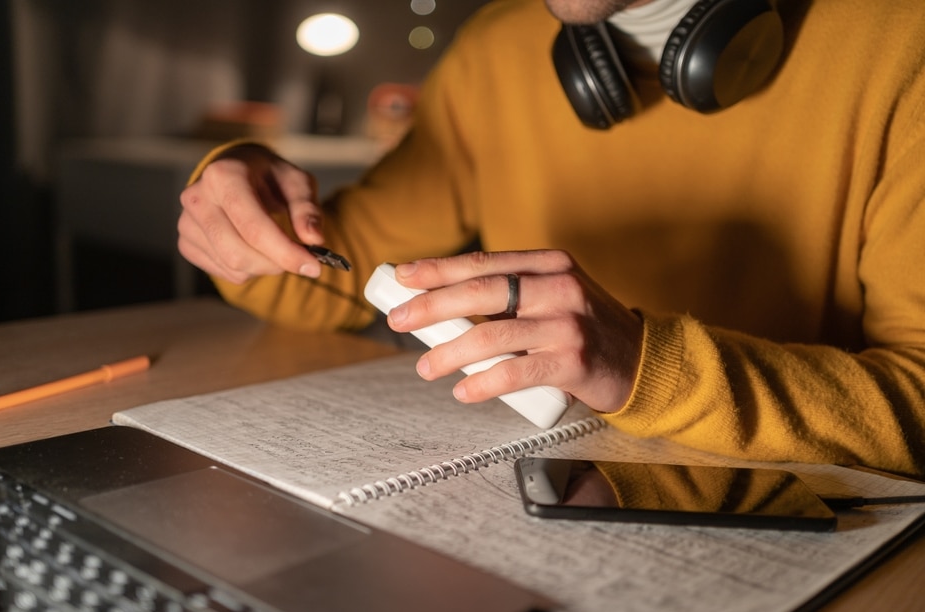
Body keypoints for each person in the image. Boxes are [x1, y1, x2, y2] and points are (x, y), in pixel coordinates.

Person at [176, 0, 925, 480]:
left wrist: (647, 366)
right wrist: (240, 193)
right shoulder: (497, 46)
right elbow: (326, 277)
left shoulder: (901, 40)